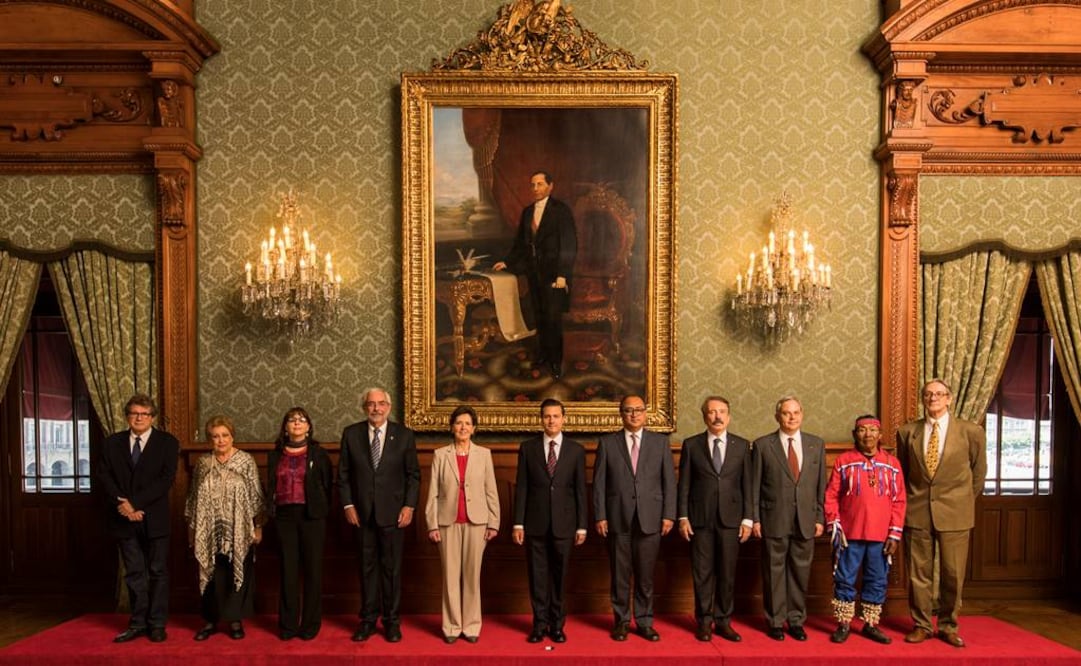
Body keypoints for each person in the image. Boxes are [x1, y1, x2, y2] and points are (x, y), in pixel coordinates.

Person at [896, 379, 987, 648]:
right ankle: (922, 625)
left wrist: (962, 500)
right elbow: (902, 473)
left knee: (952, 573)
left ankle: (948, 626)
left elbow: (979, 473)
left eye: (939, 394)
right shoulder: (907, 432)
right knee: (918, 575)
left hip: (956, 513)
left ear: (949, 399)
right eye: (928, 394)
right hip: (918, 513)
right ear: (923, 399)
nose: (933, 398)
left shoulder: (971, 432)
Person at [95, 394, 179, 643]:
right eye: (134, 413)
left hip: (156, 519)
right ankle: (137, 623)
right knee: (133, 573)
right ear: (127, 416)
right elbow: (104, 476)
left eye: (144, 413)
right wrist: (124, 505)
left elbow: (166, 479)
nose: (139, 418)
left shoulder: (167, 443)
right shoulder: (112, 443)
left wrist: (136, 503)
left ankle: (156, 624)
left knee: (157, 572)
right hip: (123, 517)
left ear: (152, 417)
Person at [338, 387, 420, 642]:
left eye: (381, 403)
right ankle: (367, 620)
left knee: (391, 571)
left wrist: (409, 506)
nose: (376, 408)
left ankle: (392, 622)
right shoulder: (351, 434)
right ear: (364, 407)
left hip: (394, 515)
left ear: (389, 407)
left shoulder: (404, 436)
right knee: (366, 569)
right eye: (371, 404)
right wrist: (348, 505)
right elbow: (343, 475)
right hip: (361, 515)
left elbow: (413, 475)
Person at [593, 395, 675, 642]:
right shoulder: (608, 443)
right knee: (620, 575)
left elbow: (669, 481)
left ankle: (645, 621)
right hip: (618, 518)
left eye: (638, 410)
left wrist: (669, 514)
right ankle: (621, 622)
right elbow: (599, 484)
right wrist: (600, 516)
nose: (634, 414)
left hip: (651, 518)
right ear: (621, 414)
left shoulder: (660, 443)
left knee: (645, 576)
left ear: (645, 413)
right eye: (628, 410)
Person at [677, 396, 752, 643]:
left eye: (722, 412)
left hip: (731, 520)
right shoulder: (692, 444)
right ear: (704, 417)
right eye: (712, 412)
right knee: (702, 574)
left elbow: (747, 485)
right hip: (699, 520)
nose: (717, 416)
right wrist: (683, 517)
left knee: (727, 574)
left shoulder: (742, 446)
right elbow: (684, 484)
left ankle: (723, 621)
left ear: (729, 416)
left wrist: (748, 519)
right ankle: (704, 622)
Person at [751, 395, 827, 642]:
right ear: (777, 416)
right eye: (786, 413)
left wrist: (819, 517)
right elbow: (754, 486)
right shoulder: (763, 445)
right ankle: (775, 620)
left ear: (802, 414)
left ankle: (796, 620)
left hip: (805, 520)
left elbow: (820, 487)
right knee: (774, 572)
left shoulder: (816, 444)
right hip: (773, 518)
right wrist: (755, 519)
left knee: (800, 572)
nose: (791, 417)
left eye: (795, 413)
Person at [825, 415, 906, 644]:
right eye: (862, 430)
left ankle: (871, 624)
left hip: (881, 535)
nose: (868, 434)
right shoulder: (844, 461)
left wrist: (894, 533)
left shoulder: (892, 464)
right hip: (849, 535)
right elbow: (831, 495)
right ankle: (843, 624)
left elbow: (899, 501)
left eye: (873, 430)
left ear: (880, 435)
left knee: (877, 579)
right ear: (854, 434)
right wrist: (835, 524)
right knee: (844, 578)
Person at [512, 398, 587, 643]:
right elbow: (522, 487)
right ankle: (539, 624)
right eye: (547, 416)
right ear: (541, 419)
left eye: (556, 416)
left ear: (563, 418)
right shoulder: (528, 448)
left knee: (559, 576)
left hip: (565, 525)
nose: (551, 420)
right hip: (534, 523)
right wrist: (518, 523)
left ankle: (557, 625)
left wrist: (582, 525)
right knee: (537, 576)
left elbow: (580, 491)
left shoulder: (576, 450)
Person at [185, 415, 265, 641]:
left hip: (239, 530)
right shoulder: (203, 463)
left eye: (224, 436)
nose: (220, 441)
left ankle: (235, 620)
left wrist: (257, 527)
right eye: (215, 436)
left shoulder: (245, 461)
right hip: (208, 531)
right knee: (211, 574)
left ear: (232, 436)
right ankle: (210, 620)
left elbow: (256, 496)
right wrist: (192, 532)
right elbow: (192, 499)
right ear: (209, 439)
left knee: (234, 573)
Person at [425, 405, 501, 643]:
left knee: (471, 576)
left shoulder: (484, 454)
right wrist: (432, 524)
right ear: (452, 427)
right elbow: (433, 493)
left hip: (477, 523)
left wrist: (494, 522)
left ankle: (471, 626)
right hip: (447, 523)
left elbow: (491, 491)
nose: (463, 427)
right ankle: (451, 627)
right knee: (450, 577)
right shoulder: (440, 455)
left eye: (468, 423)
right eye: (459, 423)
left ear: (474, 429)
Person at [492, 169, 578, 379]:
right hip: (534, 274)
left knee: (553, 319)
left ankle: (555, 362)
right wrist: (507, 261)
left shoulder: (561, 210)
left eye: (539, 184)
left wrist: (562, 275)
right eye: (533, 185)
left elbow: (569, 245)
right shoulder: (528, 212)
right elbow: (520, 244)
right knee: (539, 317)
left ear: (550, 186)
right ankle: (543, 356)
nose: (535, 188)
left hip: (554, 276)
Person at [267, 407, 333, 640]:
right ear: (285, 427)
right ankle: (287, 625)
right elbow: (270, 488)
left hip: (312, 517)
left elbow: (327, 486)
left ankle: (310, 625)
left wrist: (321, 511)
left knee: (313, 571)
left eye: (301, 420)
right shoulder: (275, 455)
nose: (296, 423)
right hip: (284, 518)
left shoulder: (319, 454)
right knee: (288, 571)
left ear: (308, 427)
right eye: (292, 420)